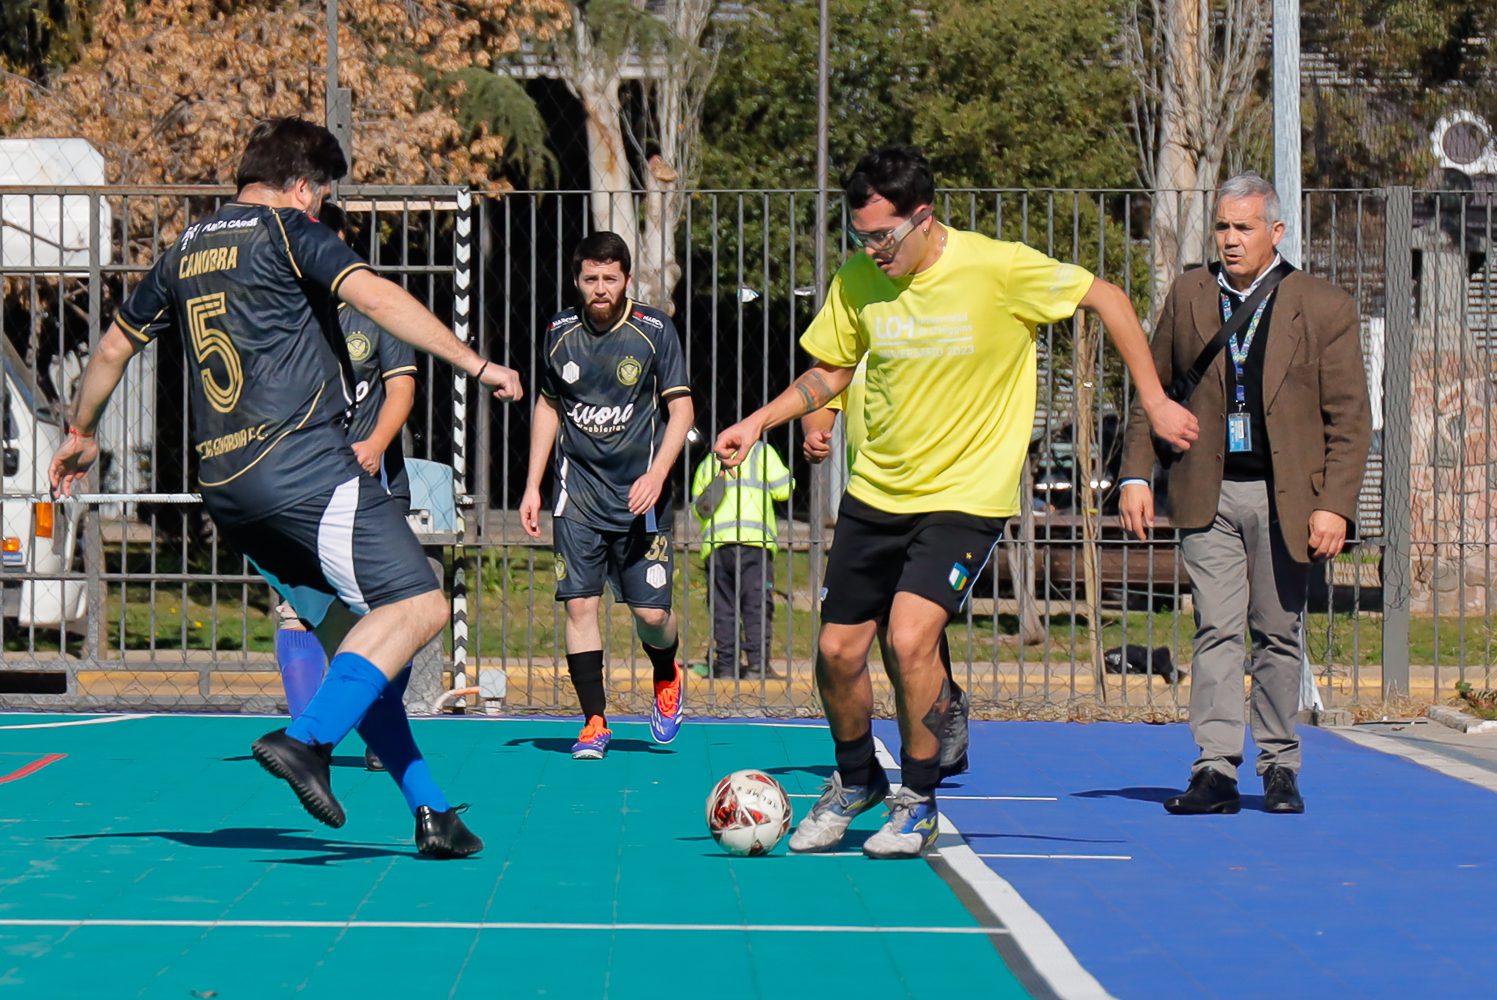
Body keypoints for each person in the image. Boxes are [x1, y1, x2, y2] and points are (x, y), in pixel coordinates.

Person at [49, 117, 524, 857]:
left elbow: (112, 346)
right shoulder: (284, 229)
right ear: (301, 185)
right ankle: (306, 740)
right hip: (304, 467)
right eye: (321, 198)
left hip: (228, 489)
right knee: (420, 604)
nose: (320, 212)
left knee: (358, 654)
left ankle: (433, 814)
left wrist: (80, 433)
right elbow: (377, 297)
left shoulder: (182, 248)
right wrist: (478, 365)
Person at [715, 146, 1198, 859]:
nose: (871, 249)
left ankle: (916, 798)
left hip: (964, 496)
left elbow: (1106, 297)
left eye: (883, 235)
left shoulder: (996, 268)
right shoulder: (858, 280)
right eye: (860, 236)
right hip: (876, 490)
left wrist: (1154, 401)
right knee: (835, 651)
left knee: (910, 640)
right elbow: (831, 370)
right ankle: (856, 784)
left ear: (923, 218)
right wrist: (763, 420)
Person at [1118, 172, 1370, 816]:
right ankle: (1215, 769)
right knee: (1216, 631)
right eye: (1223, 228)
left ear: (1276, 232)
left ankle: (1280, 765)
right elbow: (1154, 391)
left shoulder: (1322, 305)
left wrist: (1335, 503)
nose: (1230, 240)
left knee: (1278, 633)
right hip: (1208, 492)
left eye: (1244, 228)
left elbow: (1349, 419)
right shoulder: (1190, 293)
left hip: (1288, 499)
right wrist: (1137, 474)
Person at [520, 231, 695, 760]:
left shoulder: (653, 331)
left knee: (651, 617)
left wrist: (657, 474)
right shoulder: (557, 332)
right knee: (579, 605)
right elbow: (549, 407)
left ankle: (667, 672)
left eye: (610, 279)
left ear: (625, 280)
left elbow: (681, 411)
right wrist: (532, 484)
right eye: (591, 278)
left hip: (640, 498)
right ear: (578, 280)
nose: (600, 288)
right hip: (577, 498)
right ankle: (595, 721)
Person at [275, 200, 419, 773]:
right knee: (297, 610)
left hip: (372, 487)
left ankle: (377, 727)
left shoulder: (375, 308)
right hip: (304, 489)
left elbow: (402, 391)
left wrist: (376, 443)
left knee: (395, 611)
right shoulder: (282, 314)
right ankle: (312, 740)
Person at [801, 360, 969, 780]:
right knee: (851, 640)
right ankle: (870, 766)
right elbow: (821, 392)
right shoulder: (856, 328)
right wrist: (814, 431)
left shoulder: (930, 331)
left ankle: (938, 723)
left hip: (935, 497)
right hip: (871, 501)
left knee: (907, 631)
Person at [690, 437, 792, 680]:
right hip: (754, 542)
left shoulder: (710, 459)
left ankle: (726, 666)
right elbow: (784, 490)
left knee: (723, 606)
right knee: (756, 605)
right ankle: (757, 665)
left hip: (717, 544)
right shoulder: (762, 453)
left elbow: (698, 505)